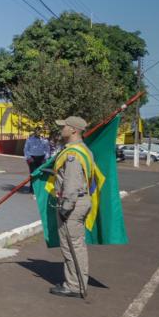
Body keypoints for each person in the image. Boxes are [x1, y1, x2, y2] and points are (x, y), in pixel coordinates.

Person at [50, 116, 95, 299]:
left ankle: (75, 286)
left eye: (65, 127)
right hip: (81, 201)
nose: (62, 130)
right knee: (76, 245)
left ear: (74, 130)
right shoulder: (83, 150)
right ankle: (76, 282)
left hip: (73, 204)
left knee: (72, 246)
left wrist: (66, 207)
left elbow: (72, 184)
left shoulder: (73, 155)